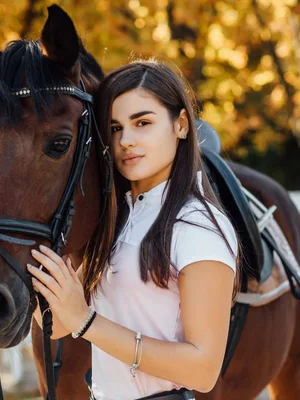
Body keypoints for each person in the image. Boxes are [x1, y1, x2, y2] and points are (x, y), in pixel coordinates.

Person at [28, 60, 239, 400]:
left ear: (181, 124)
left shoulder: (198, 227)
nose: (126, 140)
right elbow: (60, 325)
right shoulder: (120, 221)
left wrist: (87, 321)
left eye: (142, 122)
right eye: (114, 128)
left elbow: (203, 370)